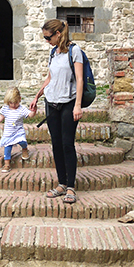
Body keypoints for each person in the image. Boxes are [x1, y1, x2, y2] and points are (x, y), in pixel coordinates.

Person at [29, 19, 84, 204]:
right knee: (56, 145)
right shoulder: (53, 52)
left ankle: (71, 187)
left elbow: (80, 79)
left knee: (68, 144)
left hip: (68, 103)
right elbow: (50, 78)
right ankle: (61, 184)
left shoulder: (74, 51)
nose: (46, 41)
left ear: (58, 34)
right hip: (51, 103)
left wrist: (77, 105)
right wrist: (37, 96)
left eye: (48, 37)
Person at [0, 87, 34, 172]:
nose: (13, 105)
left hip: (18, 132)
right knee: (7, 148)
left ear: (20, 99)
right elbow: (1, 117)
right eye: (11, 103)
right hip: (8, 133)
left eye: (16, 102)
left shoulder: (21, 109)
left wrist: (34, 110)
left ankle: (25, 149)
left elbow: (30, 115)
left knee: (22, 141)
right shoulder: (5, 108)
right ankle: (7, 164)